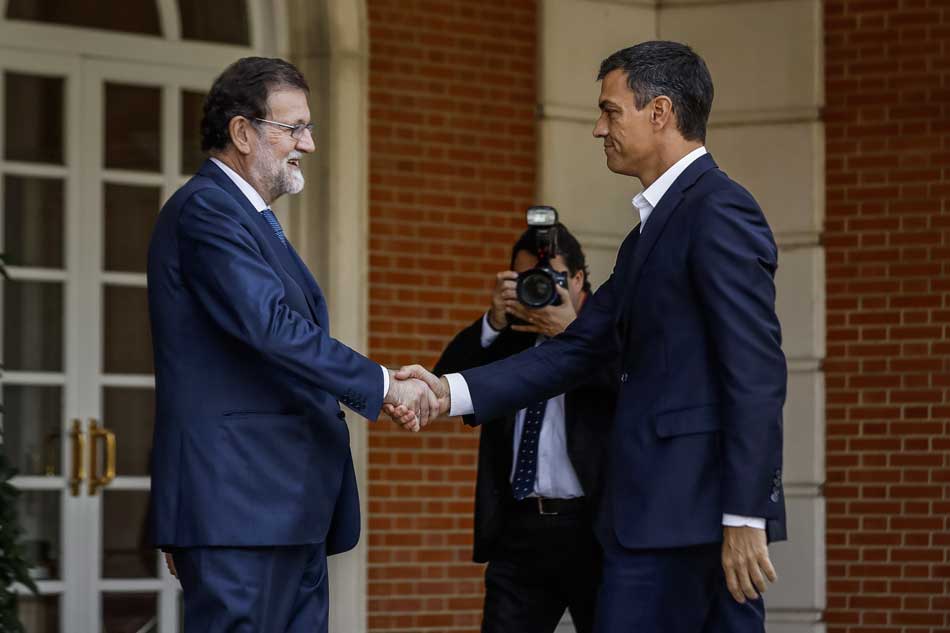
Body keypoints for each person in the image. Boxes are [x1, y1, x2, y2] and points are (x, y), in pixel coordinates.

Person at [390, 41, 788, 633]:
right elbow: (578, 349)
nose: (598, 128)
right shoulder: (648, 233)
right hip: (640, 522)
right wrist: (449, 392)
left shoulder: (719, 211)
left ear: (660, 113)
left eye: (610, 110)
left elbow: (756, 372)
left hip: (699, 525)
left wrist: (743, 517)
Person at [147, 57, 434, 633]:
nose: (309, 143)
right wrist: (383, 386)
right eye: (294, 127)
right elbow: (272, 328)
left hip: (283, 509)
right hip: (239, 511)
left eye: (309, 127)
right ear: (243, 132)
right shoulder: (207, 209)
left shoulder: (248, 218)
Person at [433, 224, 616, 633]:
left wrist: (572, 336)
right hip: (520, 533)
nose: (537, 288)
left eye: (548, 277)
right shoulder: (509, 339)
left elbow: (630, 392)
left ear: (578, 279)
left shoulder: (608, 334)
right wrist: (493, 323)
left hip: (594, 531)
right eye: (524, 279)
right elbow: (443, 383)